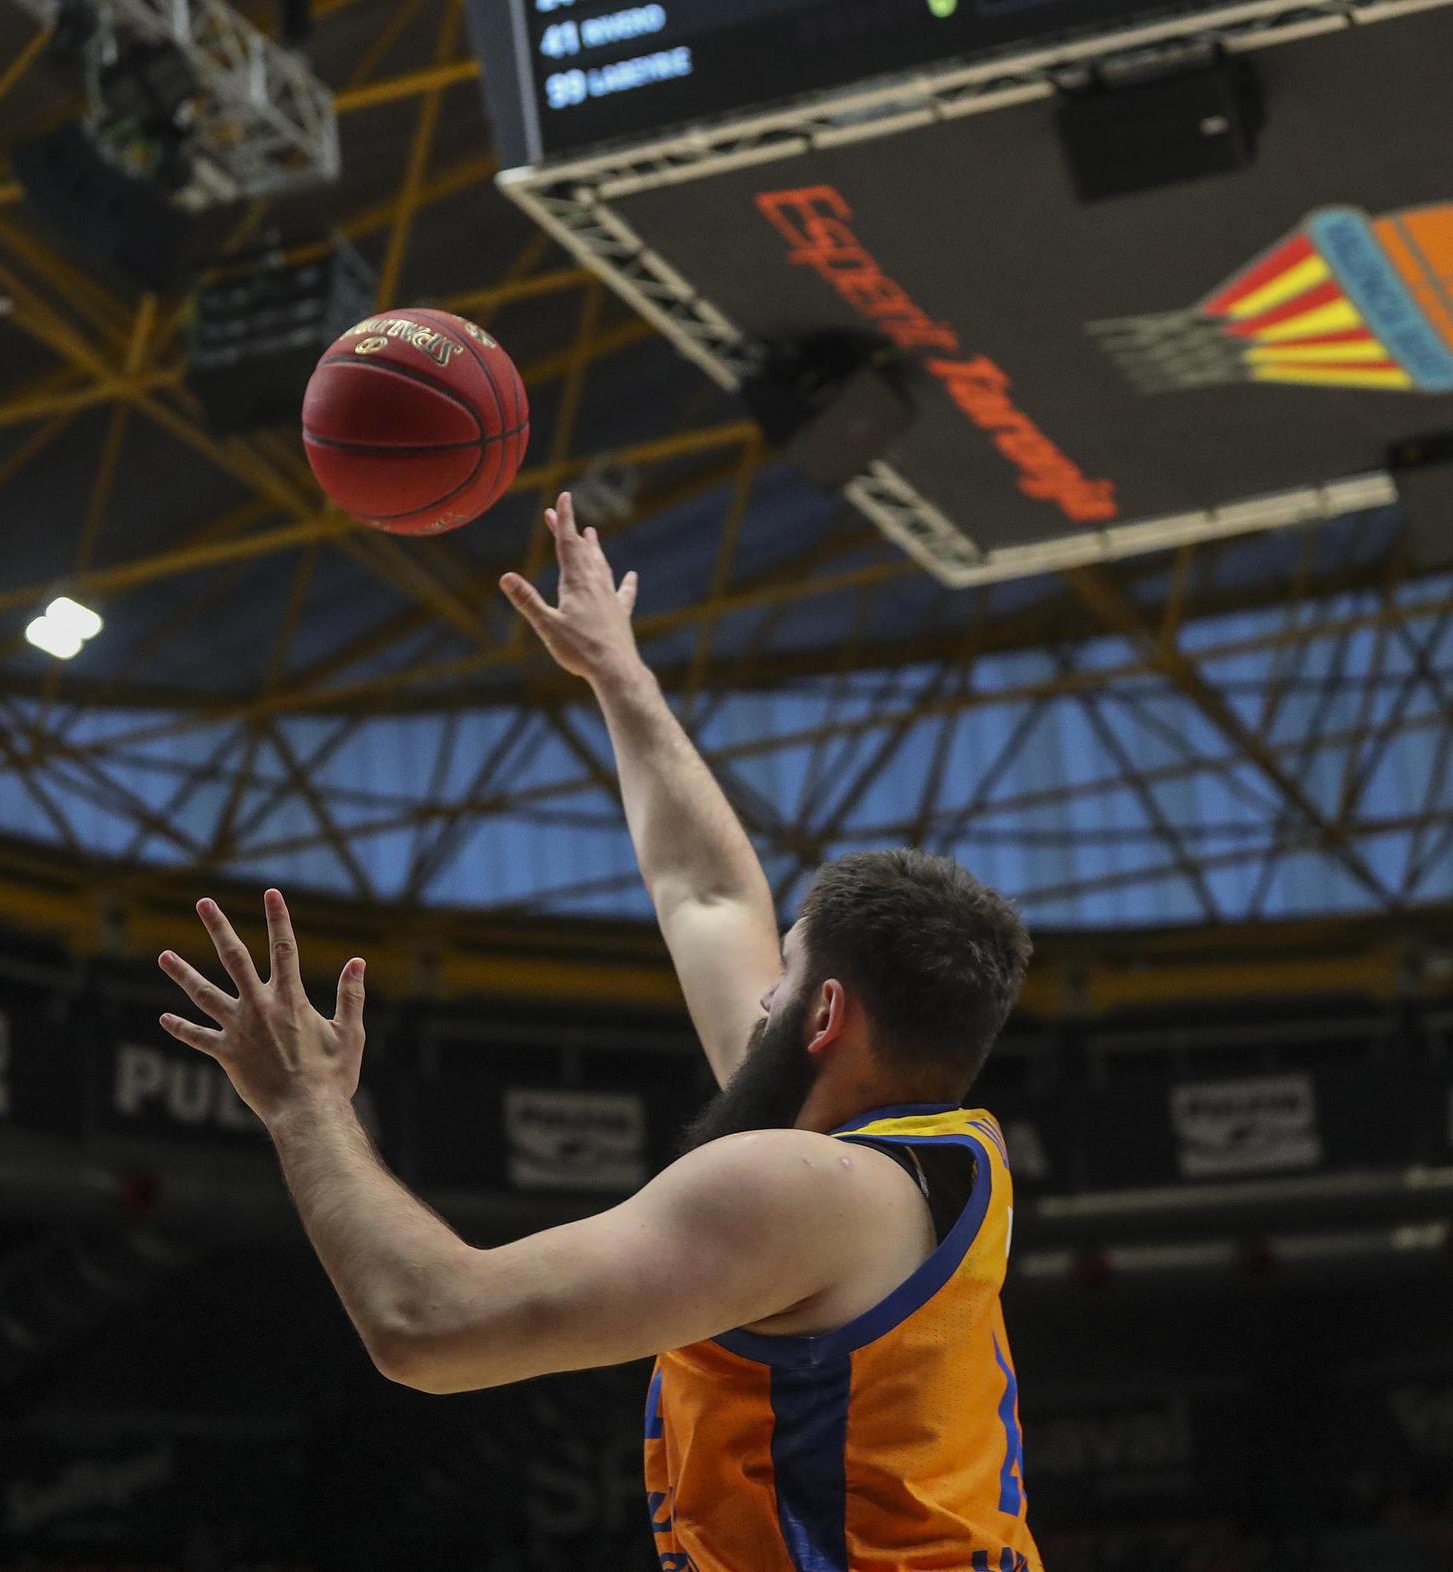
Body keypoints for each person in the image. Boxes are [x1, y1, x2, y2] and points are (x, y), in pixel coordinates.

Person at [157, 493, 1042, 1571]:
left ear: (823, 1015)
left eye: (784, 978)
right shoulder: (909, 1161)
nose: (755, 995)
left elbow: (428, 1327)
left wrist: (303, 1106)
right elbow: (707, 896)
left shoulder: (803, 1191)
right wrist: (620, 680)